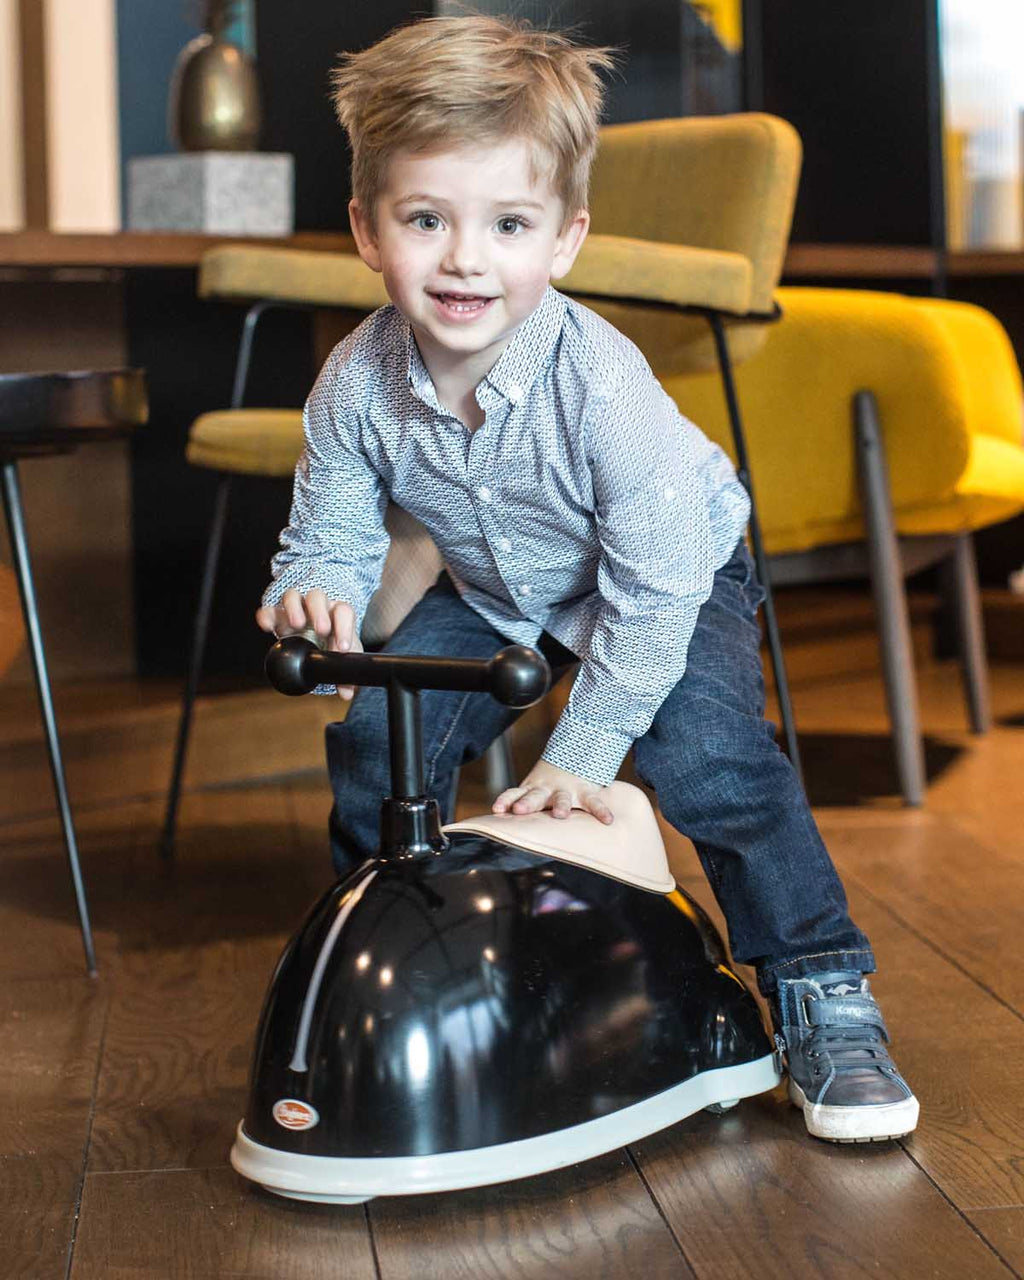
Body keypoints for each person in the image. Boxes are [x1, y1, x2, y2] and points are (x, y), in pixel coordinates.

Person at [255, 14, 918, 1145]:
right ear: (368, 230)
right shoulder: (352, 380)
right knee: (377, 743)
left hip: (662, 577)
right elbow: (331, 525)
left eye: (507, 224)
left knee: (708, 757)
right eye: (428, 219)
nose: (466, 258)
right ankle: (393, 959)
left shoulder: (598, 383)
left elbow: (654, 599)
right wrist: (315, 585)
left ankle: (820, 982)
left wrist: (580, 751)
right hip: (494, 584)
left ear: (564, 239)